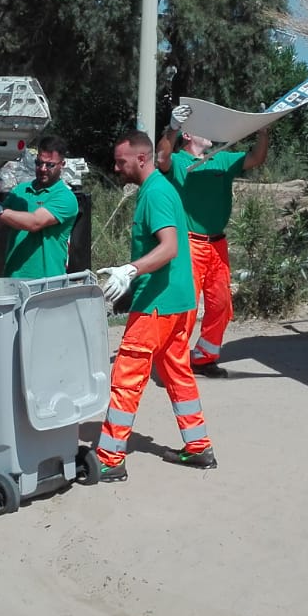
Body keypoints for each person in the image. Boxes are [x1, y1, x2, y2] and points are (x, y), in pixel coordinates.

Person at [90, 130, 216, 482]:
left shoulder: (156, 193)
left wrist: (131, 269)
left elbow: (169, 247)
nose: (117, 168)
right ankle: (198, 446)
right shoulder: (161, 189)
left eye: (121, 161)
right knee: (177, 372)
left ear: (141, 159)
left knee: (127, 376)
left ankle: (110, 458)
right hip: (179, 301)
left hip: (157, 304)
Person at [154, 105, 269, 377]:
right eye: (204, 131)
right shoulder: (180, 162)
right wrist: (172, 128)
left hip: (218, 244)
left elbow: (257, 158)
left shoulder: (221, 159)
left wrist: (263, 131)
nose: (211, 136)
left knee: (221, 305)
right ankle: (174, 364)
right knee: (186, 308)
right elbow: (161, 157)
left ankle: (204, 357)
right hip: (190, 245)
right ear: (189, 135)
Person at [0, 135, 79, 279]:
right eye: (39, 163)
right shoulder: (20, 191)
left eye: (50, 165)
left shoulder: (65, 197)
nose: (43, 169)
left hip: (48, 281)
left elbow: (34, 223)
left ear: (62, 164)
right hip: (14, 277)